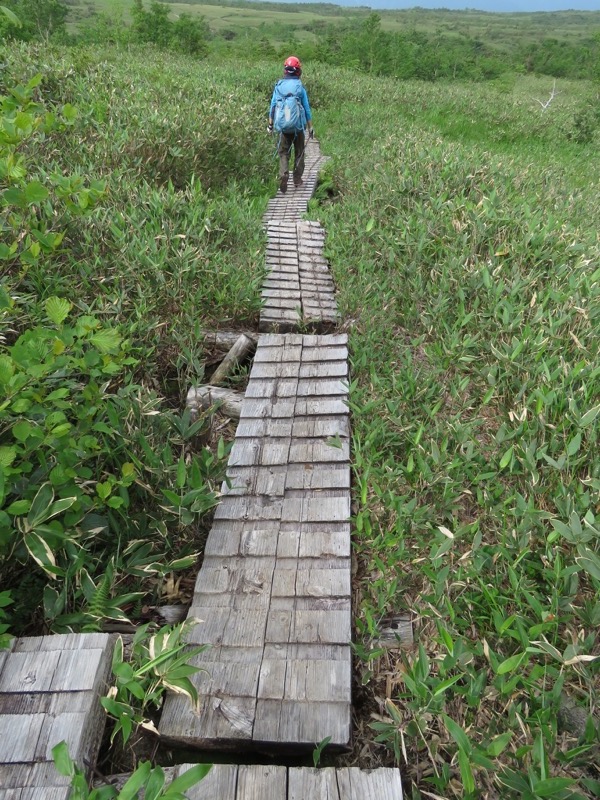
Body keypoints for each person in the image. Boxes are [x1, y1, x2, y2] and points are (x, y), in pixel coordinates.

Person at [268, 56, 314, 194]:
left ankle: (283, 175)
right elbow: (306, 109)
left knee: (283, 153)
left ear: (285, 70)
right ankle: (297, 179)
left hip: (283, 127)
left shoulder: (279, 86)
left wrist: (270, 125)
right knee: (299, 152)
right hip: (298, 127)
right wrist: (310, 127)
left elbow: (273, 107)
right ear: (298, 70)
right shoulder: (300, 88)